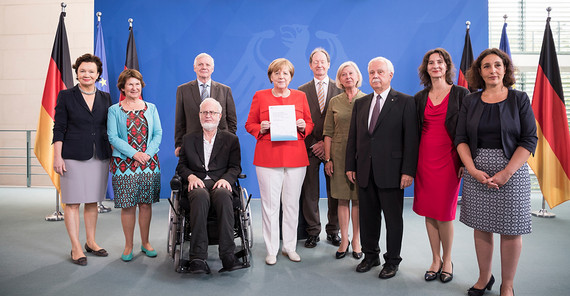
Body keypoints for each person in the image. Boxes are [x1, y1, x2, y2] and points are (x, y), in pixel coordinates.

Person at [455, 48, 537, 296]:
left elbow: (529, 139)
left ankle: (507, 285)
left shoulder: (519, 99)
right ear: (479, 72)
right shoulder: (469, 100)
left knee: (511, 230)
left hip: (512, 171)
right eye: (487, 66)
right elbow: (460, 138)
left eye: (497, 65)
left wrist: (506, 173)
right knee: (482, 226)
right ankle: (484, 278)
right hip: (476, 171)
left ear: (505, 70)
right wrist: (471, 169)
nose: (493, 70)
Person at [345, 57, 418, 279]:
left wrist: (408, 171)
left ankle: (392, 260)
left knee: (393, 219)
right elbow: (353, 138)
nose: (375, 76)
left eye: (380, 72)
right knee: (368, 217)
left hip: (393, 172)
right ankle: (371, 255)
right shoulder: (361, 103)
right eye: (371, 73)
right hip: (365, 170)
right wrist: (350, 165)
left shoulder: (405, 102)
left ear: (390, 75)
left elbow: (412, 140)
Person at [245, 58, 314, 265]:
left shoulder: (301, 96)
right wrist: (261, 128)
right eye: (277, 73)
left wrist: (303, 126)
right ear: (271, 76)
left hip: (296, 157)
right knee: (270, 205)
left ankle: (289, 247)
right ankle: (271, 249)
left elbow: (309, 123)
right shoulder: (260, 96)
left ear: (291, 76)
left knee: (292, 205)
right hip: (268, 158)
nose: (281, 77)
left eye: (285, 73)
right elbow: (250, 124)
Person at [413, 48, 470, 283]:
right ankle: (435, 259)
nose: (435, 66)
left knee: (444, 214)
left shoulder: (461, 94)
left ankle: (447, 260)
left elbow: (468, 130)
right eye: (431, 63)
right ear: (426, 68)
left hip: (450, 159)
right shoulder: (419, 98)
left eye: (440, 62)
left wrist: (467, 161)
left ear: (447, 66)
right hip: (424, 160)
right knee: (429, 211)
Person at [53, 53, 112, 266]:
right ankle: (76, 247)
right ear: (77, 73)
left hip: (100, 155)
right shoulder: (66, 96)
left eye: (91, 71)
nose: (87, 74)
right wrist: (57, 156)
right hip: (72, 156)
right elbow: (58, 128)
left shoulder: (106, 97)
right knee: (72, 202)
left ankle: (91, 242)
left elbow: (109, 128)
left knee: (92, 201)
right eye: (82, 71)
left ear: (98, 75)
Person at [176, 98, 246, 274]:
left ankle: (228, 255)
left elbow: (235, 167)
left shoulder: (230, 140)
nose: (208, 115)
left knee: (223, 195)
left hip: (220, 181)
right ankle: (197, 258)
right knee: (199, 196)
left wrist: (227, 179)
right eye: (205, 112)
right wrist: (190, 176)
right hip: (197, 184)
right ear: (199, 115)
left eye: (212, 112)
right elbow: (181, 166)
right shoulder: (189, 139)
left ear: (219, 116)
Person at [107, 69, 162, 262]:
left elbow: (158, 134)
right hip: (124, 165)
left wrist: (146, 154)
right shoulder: (114, 110)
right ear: (122, 87)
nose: (134, 88)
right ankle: (128, 245)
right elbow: (113, 137)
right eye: (130, 84)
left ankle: (145, 243)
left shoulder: (151, 108)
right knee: (128, 206)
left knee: (146, 204)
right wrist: (135, 154)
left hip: (149, 164)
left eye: (137, 84)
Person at [298, 48, 342, 248]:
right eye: (315, 62)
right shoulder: (301, 91)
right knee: (310, 192)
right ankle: (313, 231)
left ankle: (333, 230)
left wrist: (326, 145)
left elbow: (342, 123)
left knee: (335, 191)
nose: (319, 65)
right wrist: (315, 144)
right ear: (310, 65)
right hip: (309, 148)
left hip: (332, 148)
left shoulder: (340, 88)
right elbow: (298, 121)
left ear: (329, 64)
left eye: (323, 61)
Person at [323, 61, 365, 259]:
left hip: (360, 155)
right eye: (343, 74)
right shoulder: (334, 101)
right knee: (341, 198)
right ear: (339, 79)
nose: (348, 77)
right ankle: (344, 241)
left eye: (351, 73)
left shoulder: (367, 99)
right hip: (338, 155)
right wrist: (328, 159)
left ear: (357, 76)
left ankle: (357, 241)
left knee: (357, 200)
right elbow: (328, 133)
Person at [174, 53, 237, 156]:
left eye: (207, 65)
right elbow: (179, 121)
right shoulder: (183, 90)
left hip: (220, 145)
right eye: (200, 64)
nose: (204, 67)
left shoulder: (225, 90)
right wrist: (179, 144)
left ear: (212, 68)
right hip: (192, 145)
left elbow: (232, 121)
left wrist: (229, 141)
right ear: (194, 67)